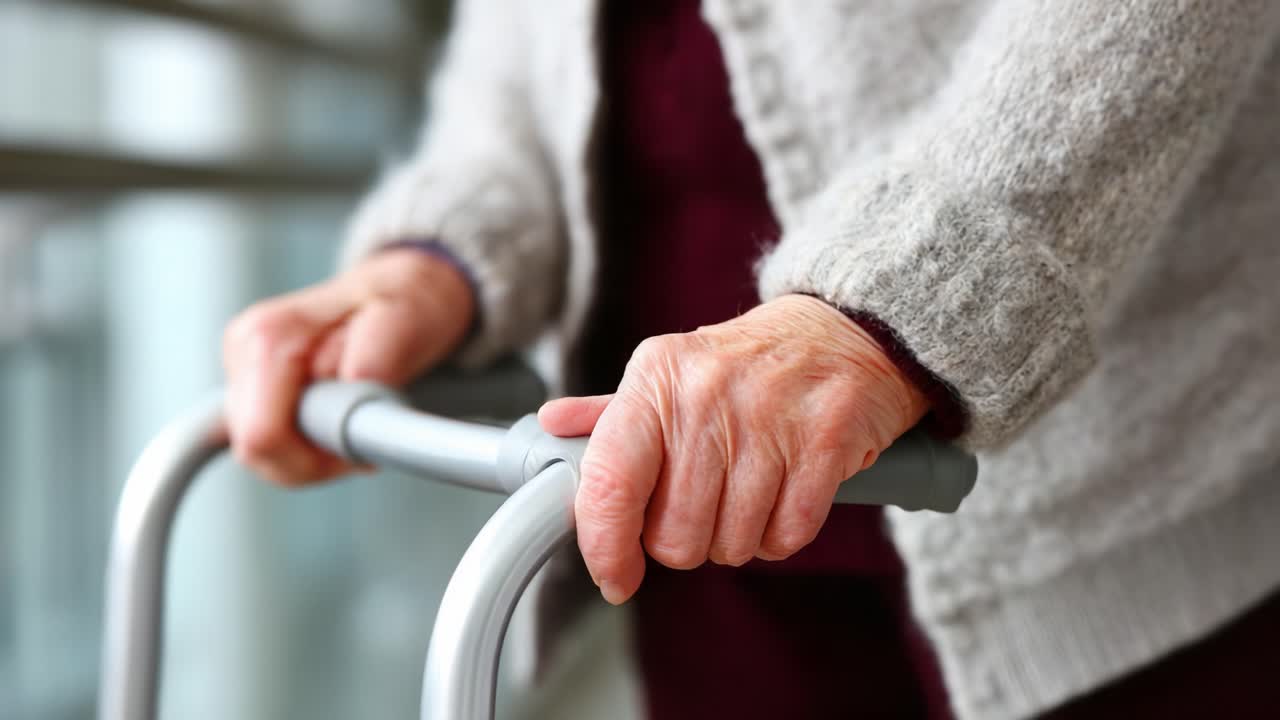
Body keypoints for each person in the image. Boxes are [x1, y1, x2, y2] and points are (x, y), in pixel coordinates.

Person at [221, 1, 1280, 717]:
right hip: (691, 504)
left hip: (1112, 485)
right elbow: (520, 43)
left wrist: (909, 294)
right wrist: (439, 249)